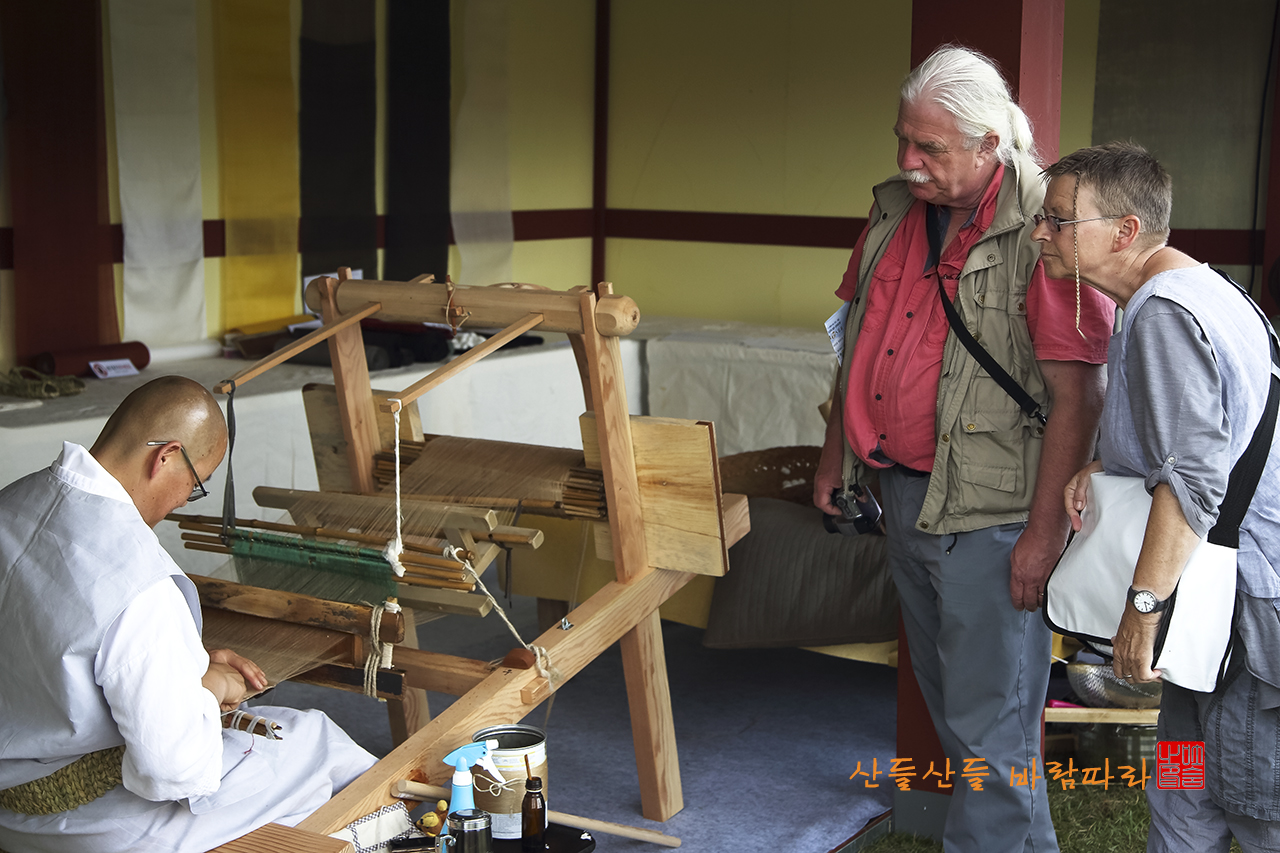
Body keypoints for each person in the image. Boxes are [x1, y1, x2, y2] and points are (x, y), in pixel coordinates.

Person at [814, 46, 1114, 851]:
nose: (909, 161)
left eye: (930, 148)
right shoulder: (892, 210)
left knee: (990, 725)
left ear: (990, 143)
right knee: (966, 713)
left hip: (995, 512)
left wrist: (1043, 534)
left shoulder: (1045, 225)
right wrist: (836, 454)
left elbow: (1080, 395)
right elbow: (857, 340)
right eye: (902, 139)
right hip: (903, 492)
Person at [0, 376, 377, 852]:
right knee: (320, 745)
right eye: (196, 485)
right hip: (87, 827)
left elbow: (46, 645)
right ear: (166, 457)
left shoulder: (14, 503)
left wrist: (184, 665)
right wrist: (209, 687)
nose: (182, 501)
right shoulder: (139, 581)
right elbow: (173, 771)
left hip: (8, 805)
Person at [1048, 143, 1280, 852]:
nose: (1040, 234)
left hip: (1243, 615)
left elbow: (1193, 477)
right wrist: (1108, 462)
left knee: (1252, 805)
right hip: (1211, 610)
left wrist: (1142, 610)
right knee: (1182, 786)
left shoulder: (1164, 312)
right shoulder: (1205, 289)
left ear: (1124, 231)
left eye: (1058, 220)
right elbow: (1218, 426)